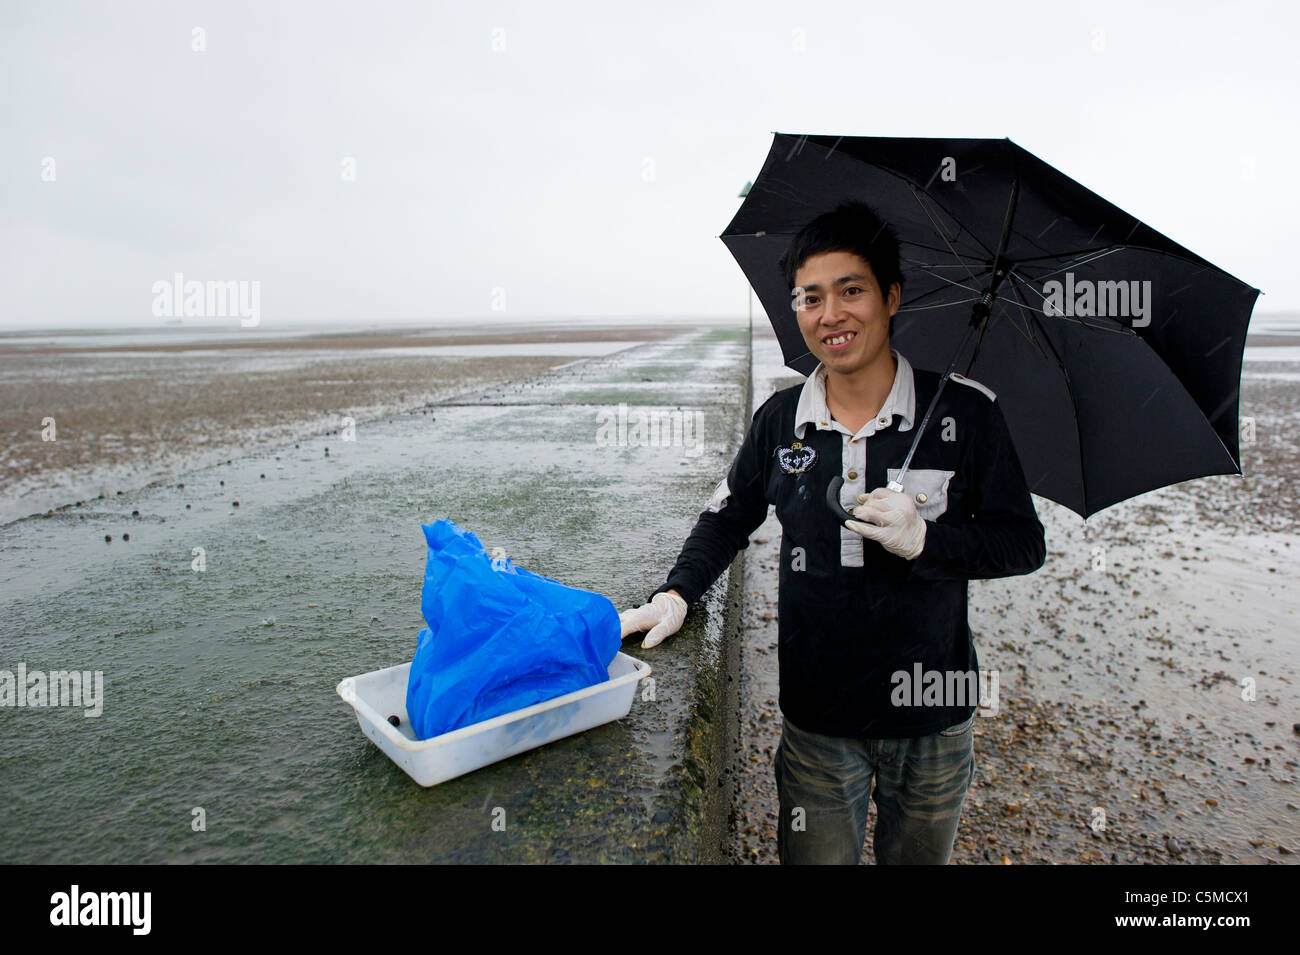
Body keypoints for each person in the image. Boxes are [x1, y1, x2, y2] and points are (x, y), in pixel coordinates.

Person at [618, 199, 1047, 864]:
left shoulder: (965, 414)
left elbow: (1023, 542)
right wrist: (677, 593)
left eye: (852, 291)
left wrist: (927, 541)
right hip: (818, 720)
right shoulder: (781, 420)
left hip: (933, 718)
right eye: (810, 297)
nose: (830, 315)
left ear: (891, 296)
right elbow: (728, 515)